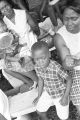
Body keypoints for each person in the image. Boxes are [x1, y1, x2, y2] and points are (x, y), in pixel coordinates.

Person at [31, 41, 72, 120]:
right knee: (39, 111)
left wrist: (65, 97)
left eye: (43, 58)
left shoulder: (56, 66)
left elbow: (69, 79)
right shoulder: (37, 66)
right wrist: (39, 96)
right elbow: (40, 80)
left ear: (49, 54)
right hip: (48, 92)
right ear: (34, 59)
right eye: (37, 59)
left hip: (60, 94)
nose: (40, 62)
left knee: (64, 118)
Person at [54, 0, 80, 118]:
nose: (69, 23)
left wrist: (77, 61)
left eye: (74, 18)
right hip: (76, 71)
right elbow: (66, 65)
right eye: (65, 18)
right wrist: (69, 62)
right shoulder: (60, 36)